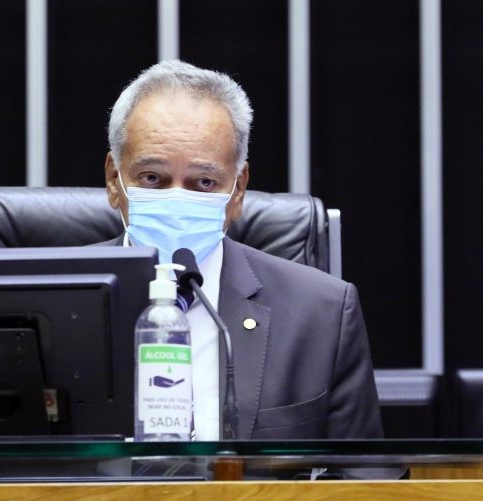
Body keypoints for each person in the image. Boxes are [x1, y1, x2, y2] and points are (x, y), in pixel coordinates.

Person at [101, 60, 382, 441]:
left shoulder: (323, 313)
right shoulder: (52, 293)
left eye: (204, 182)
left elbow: (365, 472)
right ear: (114, 179)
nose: (177, 198)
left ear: (238, 190)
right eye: (153, 178)